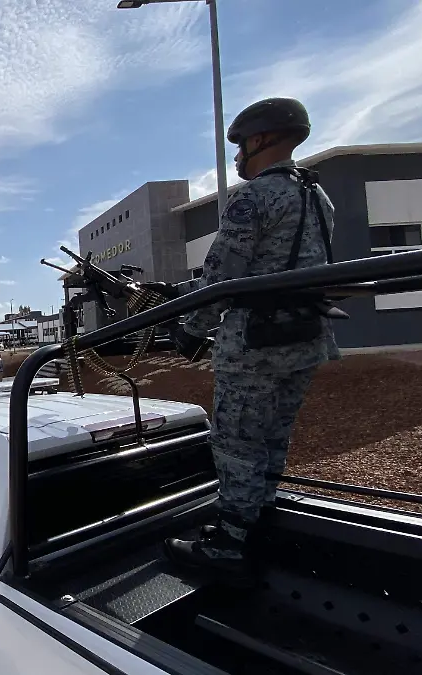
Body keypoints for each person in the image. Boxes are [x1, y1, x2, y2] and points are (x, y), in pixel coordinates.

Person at [159, 98, 340, 581]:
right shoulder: (316, 196)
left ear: (261, 140)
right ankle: (263, 514)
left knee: (237, 440)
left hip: (256, 344)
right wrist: (177, 293)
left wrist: (189, 330)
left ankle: (231, 542)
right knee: (274, 435)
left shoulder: (253, 197)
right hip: (305, 338)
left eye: (240, 145)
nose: (237, 156)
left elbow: (224, 277)